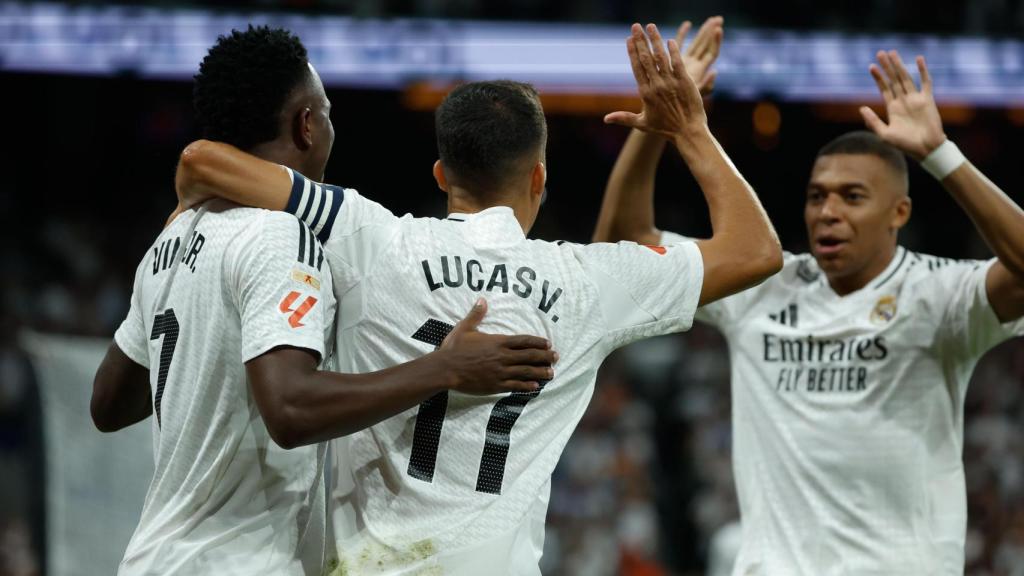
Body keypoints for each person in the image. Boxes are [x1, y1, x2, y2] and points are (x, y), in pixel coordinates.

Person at [173, 22, 781, 575]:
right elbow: (756, 251)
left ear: (441, 174)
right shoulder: (584, 280)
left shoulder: (369, 236)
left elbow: (205, 160)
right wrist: (688, 128)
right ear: (540, 178)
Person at [91, 26, 555, 575]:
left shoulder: (171, 239)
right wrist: (443, 367)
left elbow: (109, 404)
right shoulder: (281, 235)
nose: (333, 127)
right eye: (328, 112)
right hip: (237, 562)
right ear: (306, 126)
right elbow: (290, 409)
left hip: (152, 556)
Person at [594, 48, 1024, 574]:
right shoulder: (762, 285)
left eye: (852, 196)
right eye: (817, 196)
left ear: (900, 212)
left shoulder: (941, 293)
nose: (828, 212)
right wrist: (656, 126)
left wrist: (939, 153)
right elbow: (623, 242)